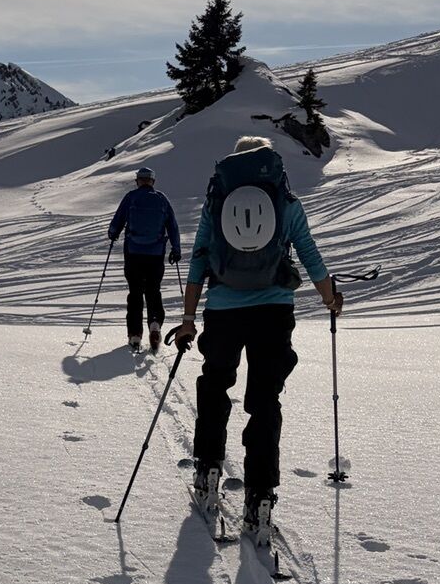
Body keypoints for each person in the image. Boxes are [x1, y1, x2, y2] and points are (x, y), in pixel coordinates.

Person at [170, 134, 343, 540]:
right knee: (265, 401)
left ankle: (207, 471)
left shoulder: (217, 201)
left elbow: (198, 260)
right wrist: (329, 298)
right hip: (274, 311)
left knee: (215, 386)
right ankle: (260, 497)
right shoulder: (286, 201)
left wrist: (189, 317)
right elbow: (309, 252)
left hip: (223, 311)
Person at [107, 166, 181, 353]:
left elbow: (118, 220)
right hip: (155, 254)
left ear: (138, 181)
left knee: (135, 293)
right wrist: (176, 249)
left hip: (133, 253)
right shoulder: (162, 199)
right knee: (153, 290)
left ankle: (135, 335)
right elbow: (172, 225)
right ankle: (155, 324)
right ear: (152, 181)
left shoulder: (131, 197)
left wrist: (113, 233)